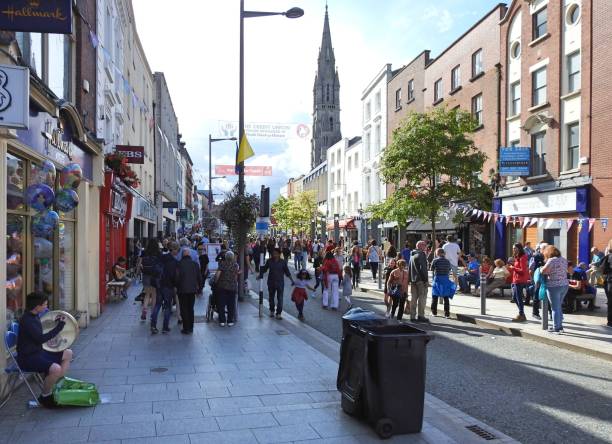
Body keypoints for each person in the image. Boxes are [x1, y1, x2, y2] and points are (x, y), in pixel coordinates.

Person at [17, 292, 72, 408]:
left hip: (38, 352)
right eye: (44, 305)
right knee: (56, 369)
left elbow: (43, 328)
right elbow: (40, 338)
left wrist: (55, 322)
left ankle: (55, 385)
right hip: (28, 358)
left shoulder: (35, 316)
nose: (46, 307)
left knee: (68, 353)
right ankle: (45, 396)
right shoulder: (27, 320)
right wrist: (59, 327)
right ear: (37, 306)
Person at [541, 245, 569, 334]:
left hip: (553, 286)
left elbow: (544, 271)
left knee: (554, 308)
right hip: (564, 285)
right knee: (558, 306)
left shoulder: (551, 260)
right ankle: (560, 325)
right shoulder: (564, 260)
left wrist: (541, 268)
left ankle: (556, 327)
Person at [259, 248, 294, 319]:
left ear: (279, 254)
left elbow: (287, 272)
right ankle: (272, 310)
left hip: (280, 283)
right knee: (271, 297)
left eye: (275, 253)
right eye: (273, 253)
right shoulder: (269, 261)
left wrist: (292, 280)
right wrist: (259, 275)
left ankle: (278, 313)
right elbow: (265, 269)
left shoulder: (283, 262)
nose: (274, 255)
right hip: (271, 282)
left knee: (280, 298)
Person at [151, 245, 178, 334]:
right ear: (173, 250)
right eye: (177, 250)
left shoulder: (161, 258)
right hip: (168, 286)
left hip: (159, 285)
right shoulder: (174, 262)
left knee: (157, 305)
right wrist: (175, 285)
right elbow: (175, 276)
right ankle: (165, 327)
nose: (177, 252)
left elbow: (154, 270)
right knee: (167, 307)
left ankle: (153, 325)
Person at [176, 248, 202, 334]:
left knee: (184, 308)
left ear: (183, 255)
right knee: (191, 308)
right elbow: (199, 278)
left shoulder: (179, 264)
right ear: (189, 255)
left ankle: (186, 327)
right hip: (192, 290)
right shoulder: (195, 264)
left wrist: (176, 286)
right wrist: (199, 290)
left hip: (182, 290)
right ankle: (191, 327)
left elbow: (176, 277)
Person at [215, 251, 239, 327]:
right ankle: (230, 321)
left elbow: (218, 275)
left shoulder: (222, 264)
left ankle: (222, 321)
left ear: (225, 257)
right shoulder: (236, 265)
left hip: (222, 286)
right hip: (232, 287)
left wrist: (216, 281)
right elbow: (235, 277)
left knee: (221, 304)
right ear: (232, 257)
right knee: (231, 304)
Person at [431, 249, 456, 318]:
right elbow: (449, 270)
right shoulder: (448, 261)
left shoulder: (435, 260)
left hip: (437, 279)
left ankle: (434, 312)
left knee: (435, 296)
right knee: (446, 297)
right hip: (445, 279)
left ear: (438, 253)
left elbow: (431, 269)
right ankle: (447, 314)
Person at [508, 243, 530, 322]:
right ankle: (522, 314)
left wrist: (513, 268)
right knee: (515, 297)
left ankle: (521, 314)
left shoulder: (523, 257)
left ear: (519, 249)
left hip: (520, 280)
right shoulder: (517, 257)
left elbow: (523, 271)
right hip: (515, 280)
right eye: (513, 248)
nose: (513, 249)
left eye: (515, 248)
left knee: (519, 298)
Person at [140, 241, 162, 321]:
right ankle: (153, 313)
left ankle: (144, 310)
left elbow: (140, 263)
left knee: (147, 294)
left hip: (146, 275)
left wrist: (137, 272)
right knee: (154, 295)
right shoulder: (159, 253)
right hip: (155, 276)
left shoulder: (144, 252)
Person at [409, 240, 429, 322]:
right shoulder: (421, 254)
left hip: (413, 279)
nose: (426, 247)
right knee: (422, 298)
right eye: (424, 245)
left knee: (413, 298)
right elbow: (423, 268)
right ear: (420, 246)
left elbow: (410, 268)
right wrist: (426, 280)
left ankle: (412, 316)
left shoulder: (412, 254)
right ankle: (421, 315)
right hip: (421, 279)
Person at [598, 241, 612, 328]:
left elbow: (602, 269)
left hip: (610, 281)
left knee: (610, 302)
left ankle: (610, 322)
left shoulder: (608, 257)